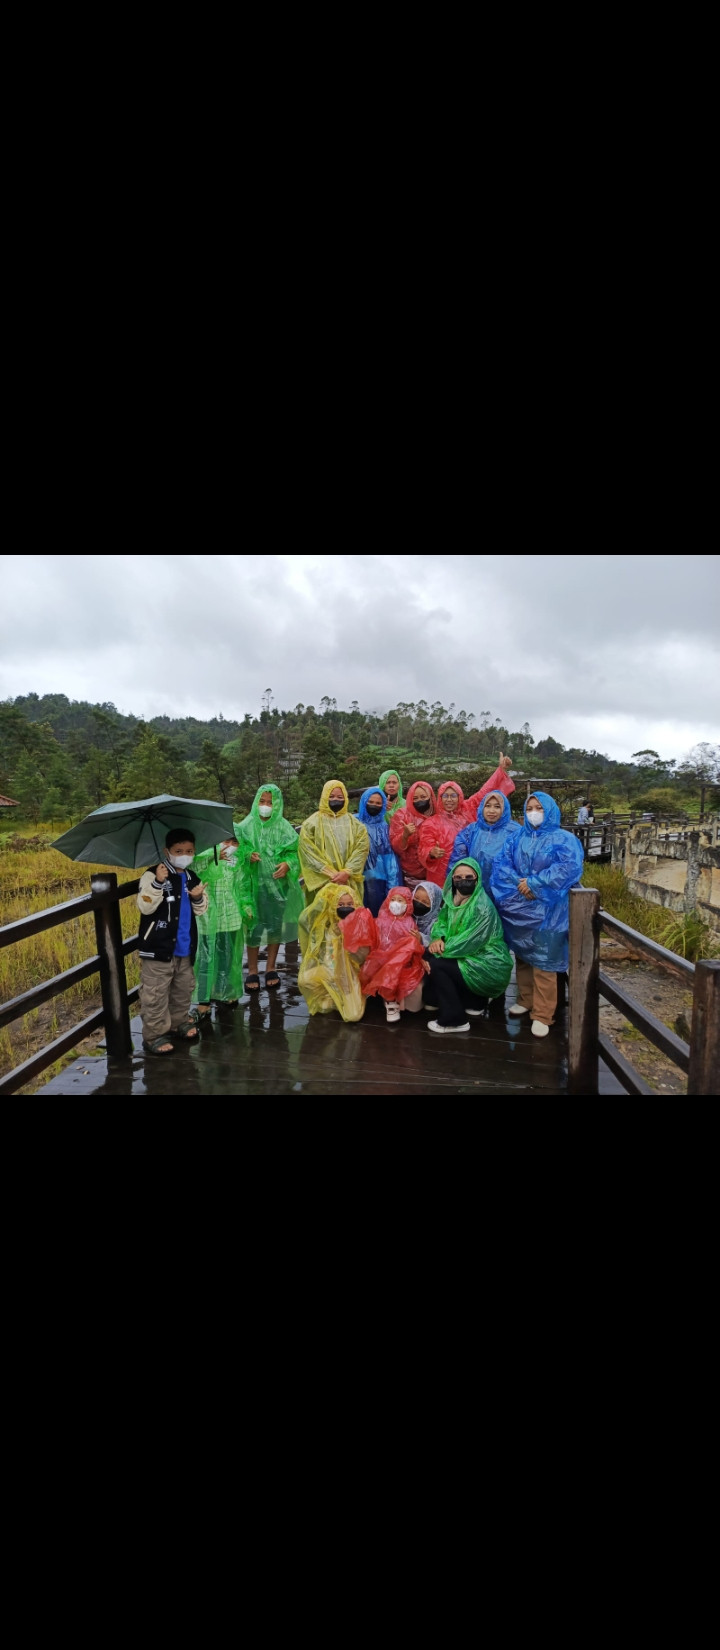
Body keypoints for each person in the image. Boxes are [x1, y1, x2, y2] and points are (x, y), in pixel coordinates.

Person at [490, 792, 584, 1038]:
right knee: (523, 954)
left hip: (549, 911)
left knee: (545, 961)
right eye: (529, 807)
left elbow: (568, 868)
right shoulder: (516, 838)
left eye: (539, 807)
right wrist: (521, 885)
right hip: (519, 909)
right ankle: (526, 998)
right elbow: (502, 865)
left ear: (550, 810)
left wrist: (536, 884)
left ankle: (543, 1014)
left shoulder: (564, 839)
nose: (533, 812)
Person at [136, 828, 209, 1056]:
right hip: (158, 948)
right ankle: (155, 1035)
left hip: (185, 947)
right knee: (155, 993)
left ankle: (179, 1023)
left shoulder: (191, 877)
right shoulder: (152, 875)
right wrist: (158, 882)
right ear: (167, 851)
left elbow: (201, 909)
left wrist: (197, 897)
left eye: (189, 851)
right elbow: (145, 905)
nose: (184, 855)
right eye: (178, 851)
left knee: (182, 989)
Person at [423, 858, 513, 1034]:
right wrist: (438, 938)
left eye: (468, 877)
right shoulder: (452, 901)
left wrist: (433, 951)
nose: (463, 881)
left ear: (477, 879)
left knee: (437, 963)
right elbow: (441, 924)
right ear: (452, 880)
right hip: (471, 959)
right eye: (458, 877)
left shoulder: (482, 906)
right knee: (438, 958)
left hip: (489, 965)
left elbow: (467, 943)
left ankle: (454, 1019)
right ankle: (475, 1001)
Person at [236, 784, 304, 993]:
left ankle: (271, 967)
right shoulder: (245, 826)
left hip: (277, 887)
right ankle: (253, 970)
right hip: (253, 888)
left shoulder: (284, 827)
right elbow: (236, 850)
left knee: (275, 927)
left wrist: (288, 865)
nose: (265, 806)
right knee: (254, 928)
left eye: (270, 803)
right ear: (256, 802)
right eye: (262, 801)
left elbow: (294, 853)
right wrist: (247, 856)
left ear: (277, 805)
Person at [342, 885, 425, 1023]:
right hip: (379, 957)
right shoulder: (380, 920)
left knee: (392, 971)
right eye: (393, 899)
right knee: (372, 970)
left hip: (399, 963)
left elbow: (411, 947)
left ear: (408, 904)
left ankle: (391, 1003)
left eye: (401, 900)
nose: (396, 903)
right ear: (388, 900)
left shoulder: (409, 924)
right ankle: (381, 996)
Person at [192, 836, 254, 1013]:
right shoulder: (205, 856)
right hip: (207, 917)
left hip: (231, 916)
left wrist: (246, 906)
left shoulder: (237, 862)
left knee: (228, 957)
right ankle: (204, 1000)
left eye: (235, 843)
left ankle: (225, 992)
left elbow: (243, 886)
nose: (230, 846)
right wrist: (213, 857)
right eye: (226, 841)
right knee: (206, 957)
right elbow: (193, 870)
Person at [298, 882, 365, 1021]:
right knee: (304, 980)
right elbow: (304, 920)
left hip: (350, 979)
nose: (345, 908)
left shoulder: (362, 926)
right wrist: (322, 900)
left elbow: (362, 959)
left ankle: (352, 996)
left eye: (349, 904)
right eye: (340, 904)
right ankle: (331, 995)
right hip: (328, 972)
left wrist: (348, 937)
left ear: (356, 904)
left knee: (353, 1016)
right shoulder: (327, 924)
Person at [298, 780, 369, 905]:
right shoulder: (311, 823)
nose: (335, 799)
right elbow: (308, 852)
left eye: (339, 797)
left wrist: (347, 871)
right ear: (324, 797)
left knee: (346, 916)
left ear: (345, 798)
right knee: (321, 917)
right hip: (321, 883)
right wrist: (329, 874)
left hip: (348, 881)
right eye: (331, 796)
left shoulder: (356, 825)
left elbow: (361, 849)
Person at [447, 790, 520, 900]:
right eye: (488, 806)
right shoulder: (471, 831)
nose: (491, 811)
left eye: (497, 806)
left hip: (506, 893)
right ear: (482, 808)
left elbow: (522, 863)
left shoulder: (515, 832)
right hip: (474, 889)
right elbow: (457, 860)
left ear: (504, 809)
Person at [356, 787, 401, 916]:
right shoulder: (354, 823)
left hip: (378, 881)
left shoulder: (384, 828)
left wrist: (392, 888)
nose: (374, 806)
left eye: (378, 803)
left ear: (383, 806)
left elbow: (390, 860)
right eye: (371, 802)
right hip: (356, 878)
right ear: (364, 802)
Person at [417, 780, 469, 887]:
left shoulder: (466, 821)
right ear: (440, 798)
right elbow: (423, 848)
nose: (449, 799)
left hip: (464, 874)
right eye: (445, 796)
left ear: (459, 797)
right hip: (439, 877)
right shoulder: (430, 823)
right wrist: (431, 852)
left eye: (453, 795)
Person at [389, 781, 437, 890]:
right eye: (415, 798)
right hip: (411, 875)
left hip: (435, 872)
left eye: (423, 797)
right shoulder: (402, 815)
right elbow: (396, 847)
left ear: (430, 797)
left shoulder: (437, 815)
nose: (420, 800)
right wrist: (405, 835)